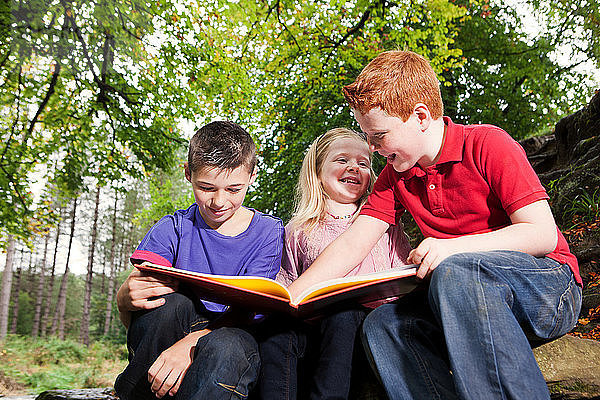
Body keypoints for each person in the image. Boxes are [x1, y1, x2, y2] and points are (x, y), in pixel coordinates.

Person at [286, 51, 582, 400]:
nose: (372, 147)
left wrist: (452, 247)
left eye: (378, 135)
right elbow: (353, 243)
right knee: (384, 325)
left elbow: (541, 233)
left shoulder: (487, 143)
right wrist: (291, 296)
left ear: (421, 116)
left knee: (456, 271)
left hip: (547, 288)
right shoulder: (394, 177)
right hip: (461, 299)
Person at [113, 121, 284, 400]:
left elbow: (249, 313)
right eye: (207, 187)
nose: (219, 201)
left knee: (225, 345)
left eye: (233, 189)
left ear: (252, 176)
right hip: (176, 328)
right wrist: (123, 301)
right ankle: (134, 394)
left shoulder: (269, 232)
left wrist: (190, 346)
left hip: (235, 342)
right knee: (169, 304)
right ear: (188, 174)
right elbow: (143, 316)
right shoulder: (173, 228)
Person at [258, 128, 411, 400]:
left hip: (360, 330)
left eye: (363, 163)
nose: (354, 167)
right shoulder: (299, 229)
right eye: (342, 160)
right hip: (313, 329)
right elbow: (289, 278)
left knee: (344, 315)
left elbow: (403, 280)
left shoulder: (384, 227)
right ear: (318, 172)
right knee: (277, 332)